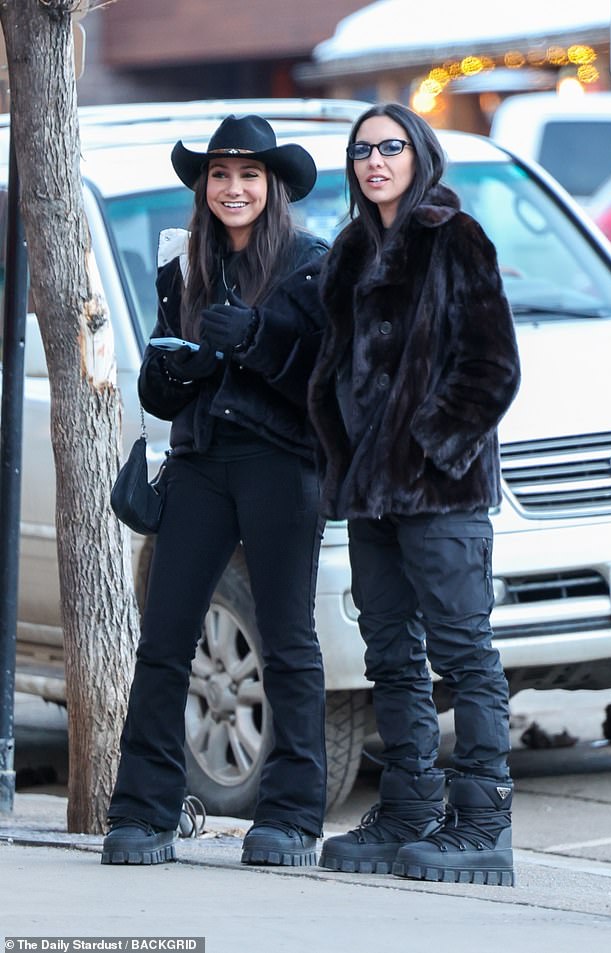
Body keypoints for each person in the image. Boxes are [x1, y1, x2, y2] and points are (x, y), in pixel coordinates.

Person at [102, 114, 328, 867]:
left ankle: (292, 817)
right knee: (165, 640)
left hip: (278, 466)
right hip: (200, 464)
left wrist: (258, 344)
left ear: (273, 187)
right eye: (220, 175)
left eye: (248, 175)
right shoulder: (182, 266)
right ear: (205, 186)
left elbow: (322, 393)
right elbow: (159, 394)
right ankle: (141, 813)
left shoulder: (308, 266)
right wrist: (175, 373)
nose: (233, 188)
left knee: (289, 644)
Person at [308, 102, 521, 886]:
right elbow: (334, 371)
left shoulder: (451, 236)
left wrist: (427, 448)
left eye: (390, 146)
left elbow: (492, 366)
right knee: (391, 656)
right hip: (371, 498)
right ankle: (408, 809)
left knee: (466, 654)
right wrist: (344, 454)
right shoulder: (351, 250)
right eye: (362, 150)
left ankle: (483, 823)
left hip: (441, 493)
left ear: (418, 153)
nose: (375, 160)